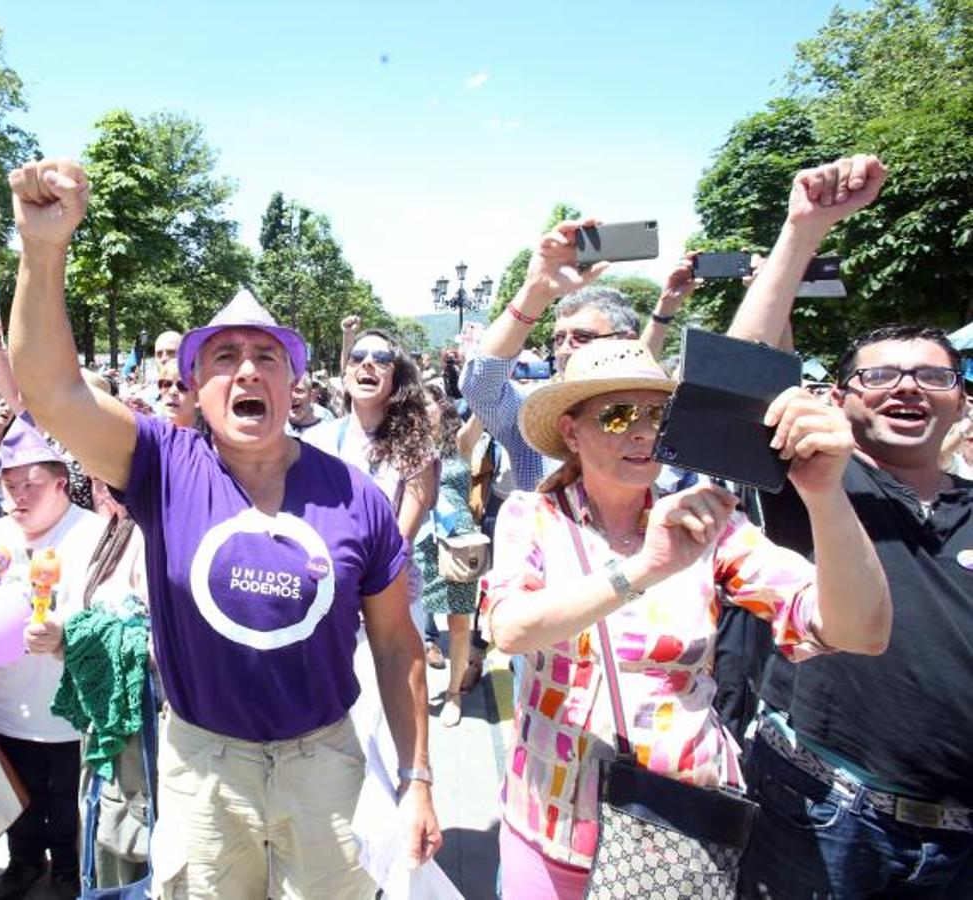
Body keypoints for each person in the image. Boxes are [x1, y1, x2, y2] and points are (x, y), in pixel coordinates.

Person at [6, 158, 441, 898]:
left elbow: (398, 643)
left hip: (324, 769)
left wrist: (418, 777)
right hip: (202, 767)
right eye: (225, 358)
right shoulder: (161, 463)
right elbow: (50, 390)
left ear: (294, 382)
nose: (247, 372)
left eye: (266, 356)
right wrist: (44, 248)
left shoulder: (357, 497)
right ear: (198, 388)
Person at [484, 338, 890, 899]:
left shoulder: (707, 523)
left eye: (658, 414)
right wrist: (644, 568)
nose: (643, 431)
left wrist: (825, 497)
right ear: (572, 433)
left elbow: (858, 632)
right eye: (619, 414)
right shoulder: (534, 517)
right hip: (551, 827)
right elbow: (509, 628)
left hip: (675, 832)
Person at [728, 153, 973, 898]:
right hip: (821, 815)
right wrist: (801, 232)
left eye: (933, 375)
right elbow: (737, 374)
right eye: (879, 375)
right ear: (838, 400)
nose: (906, 386)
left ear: (960, 403)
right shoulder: (817, 476)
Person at [0, 416, 106, 900]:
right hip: (8, 701)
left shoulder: (93, 534)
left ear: (61, 484)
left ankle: (68, 870)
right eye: (8, 485)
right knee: (17, 794)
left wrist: (64, 633)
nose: (16, 497)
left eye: (30, 485)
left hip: (69, 707)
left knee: (68, 800)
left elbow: (114, 612)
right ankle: (23, 862)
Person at [459, 224, 695, 492]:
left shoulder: (666, 413)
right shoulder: (532, 414)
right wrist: (536, 291)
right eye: (559, 339)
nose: (566, 349)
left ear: (626, 340)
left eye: (582, 337)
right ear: (568, 431)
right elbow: (480, 384)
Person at [305, 326, 439, 638]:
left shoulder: (416, 450)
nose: (367, 363)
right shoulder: (314, 441)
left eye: (381, 358)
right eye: (357, 357)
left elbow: (400, 542)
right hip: (323, 603)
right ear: (347, 373)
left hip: (390, 604)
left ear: (396, 377)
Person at [415, 391, 478, 728]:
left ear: (441, 409)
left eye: (429, 402)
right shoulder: (404, 448)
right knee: (408, 625)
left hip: (459, 542)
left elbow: (484, 407)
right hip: (419, 541)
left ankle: (453, 693)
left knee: (458, 624)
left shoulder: (461, 443)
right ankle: (413, 691)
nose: (425, 409)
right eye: (418, 403)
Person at [153, 361, 197, 429]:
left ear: (198, 395)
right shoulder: (154, 430)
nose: (172, 392)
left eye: (182, 385)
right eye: (166, 384)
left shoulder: (211, 436)